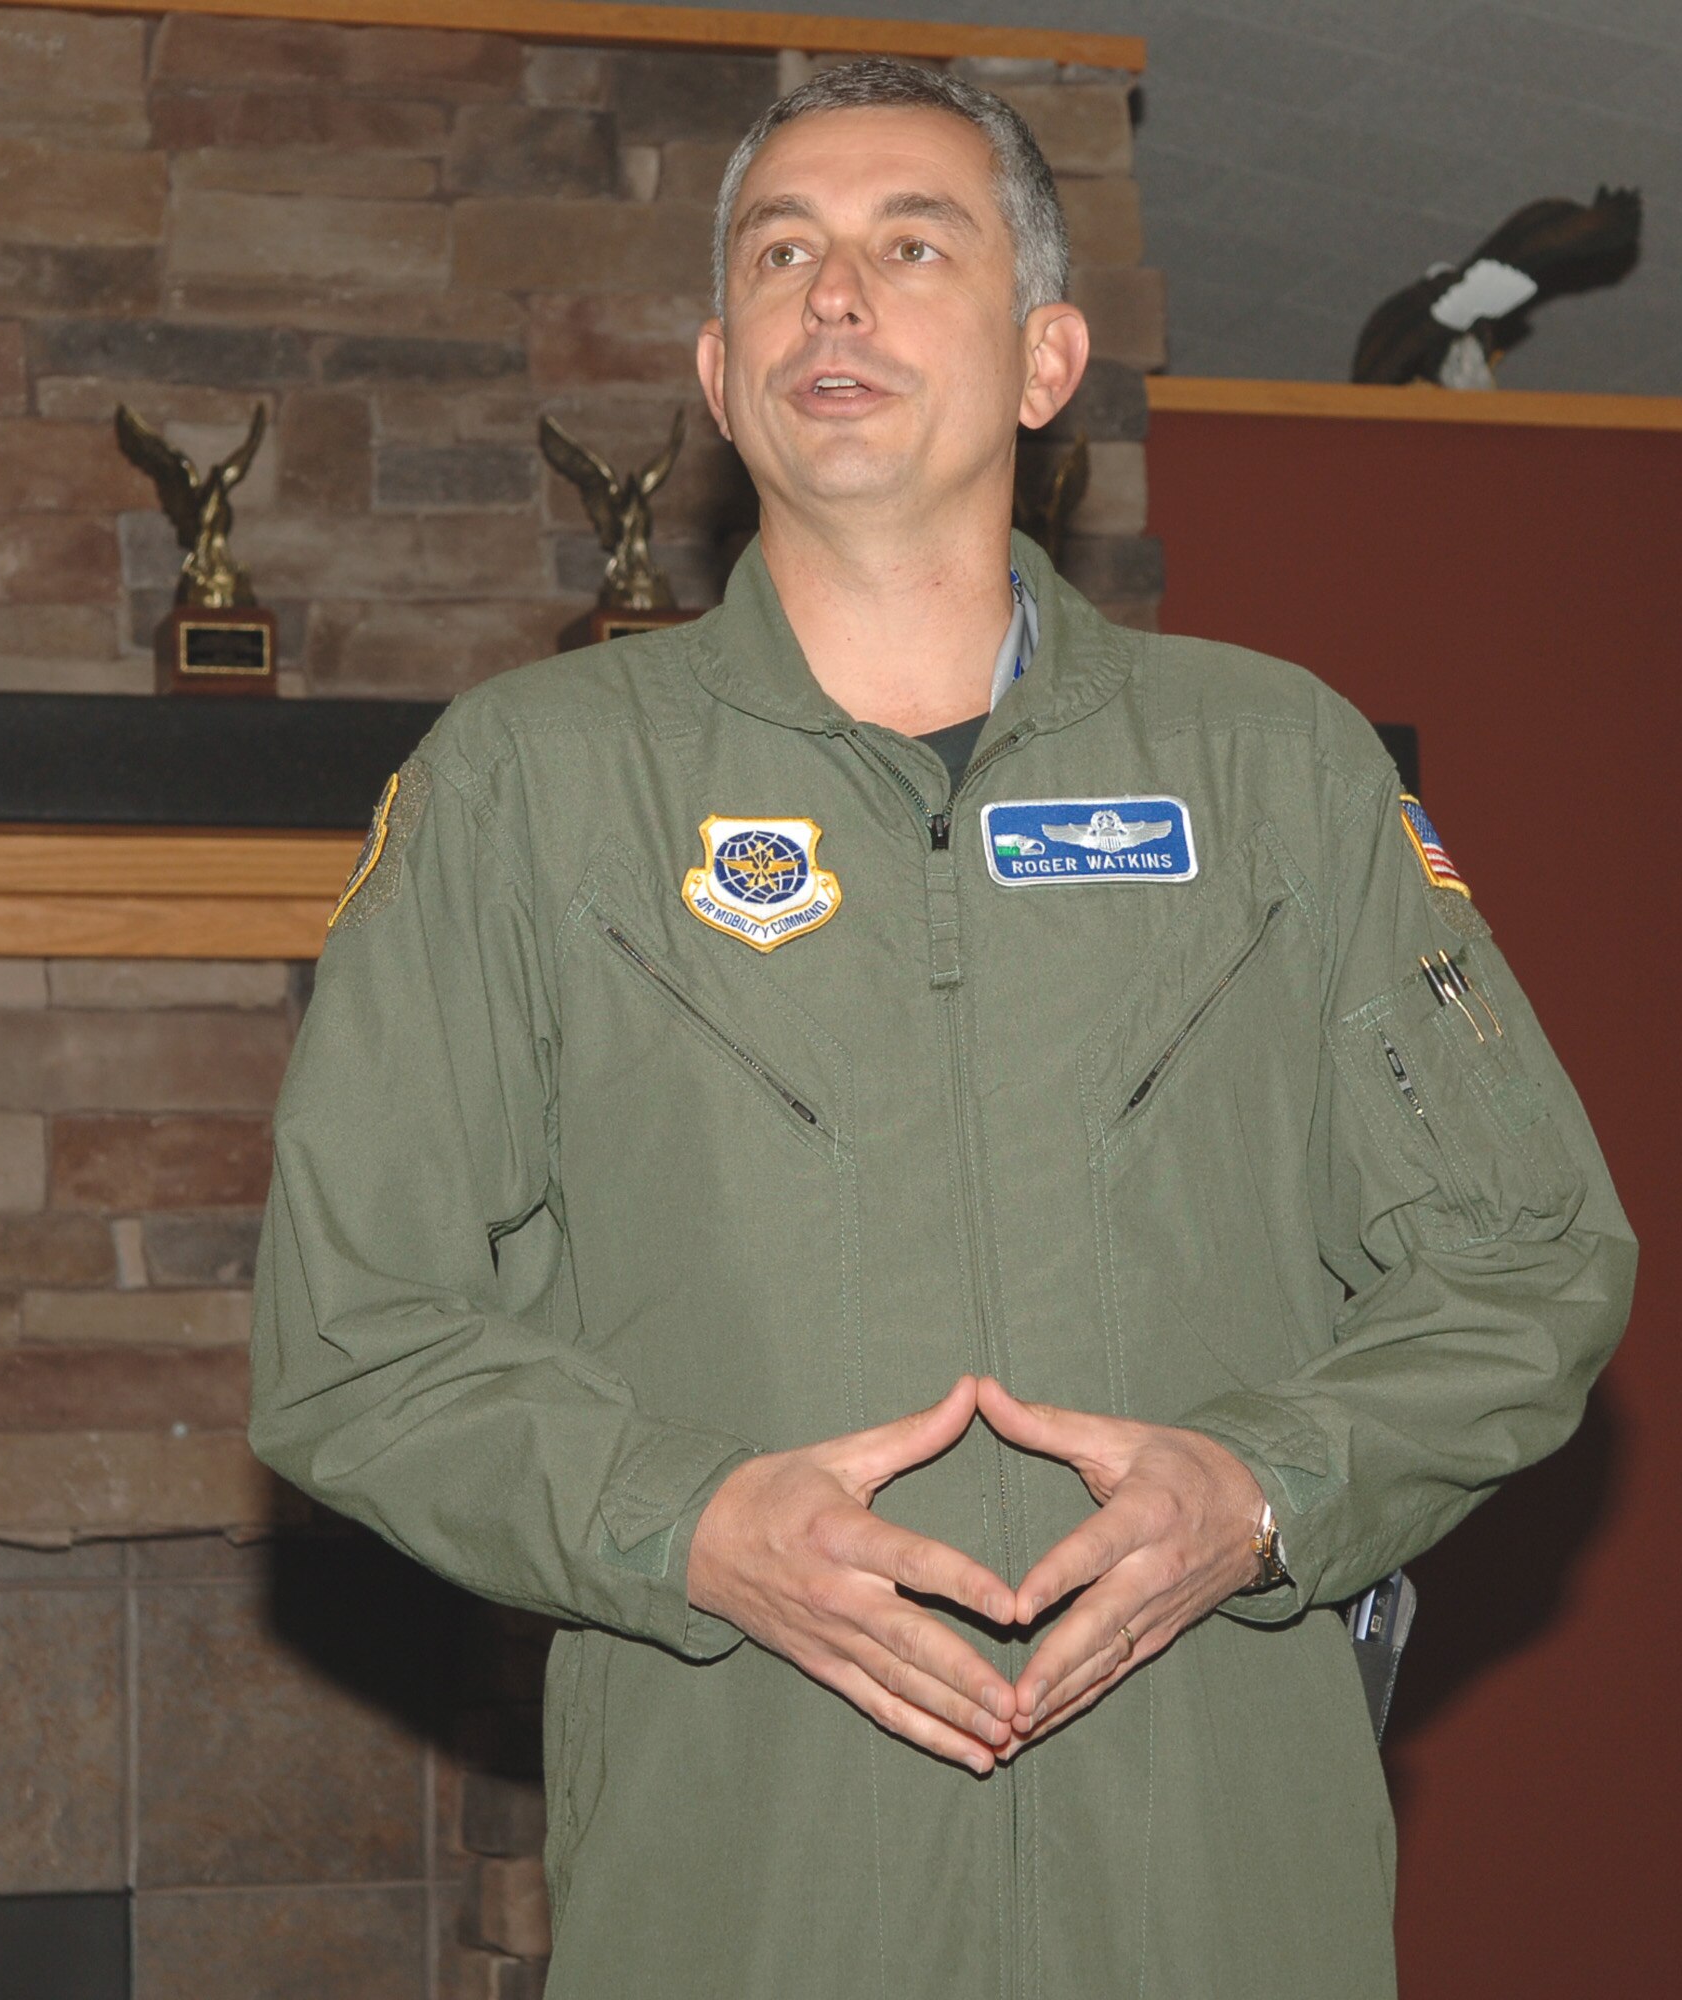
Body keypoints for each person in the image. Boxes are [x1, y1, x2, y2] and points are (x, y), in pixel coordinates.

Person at [250, 59, 1635, 1999]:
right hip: (749, 1908)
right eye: (782, 254)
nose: (838, 294)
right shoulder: (520, 791)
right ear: (719, 377)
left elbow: (1525, 1259)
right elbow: (349, 1336)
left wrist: (1261, 1489)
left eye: (914, 244)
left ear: (1045, 358)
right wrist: (691, 1521)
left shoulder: (1278, 771)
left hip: (1215, 1901)